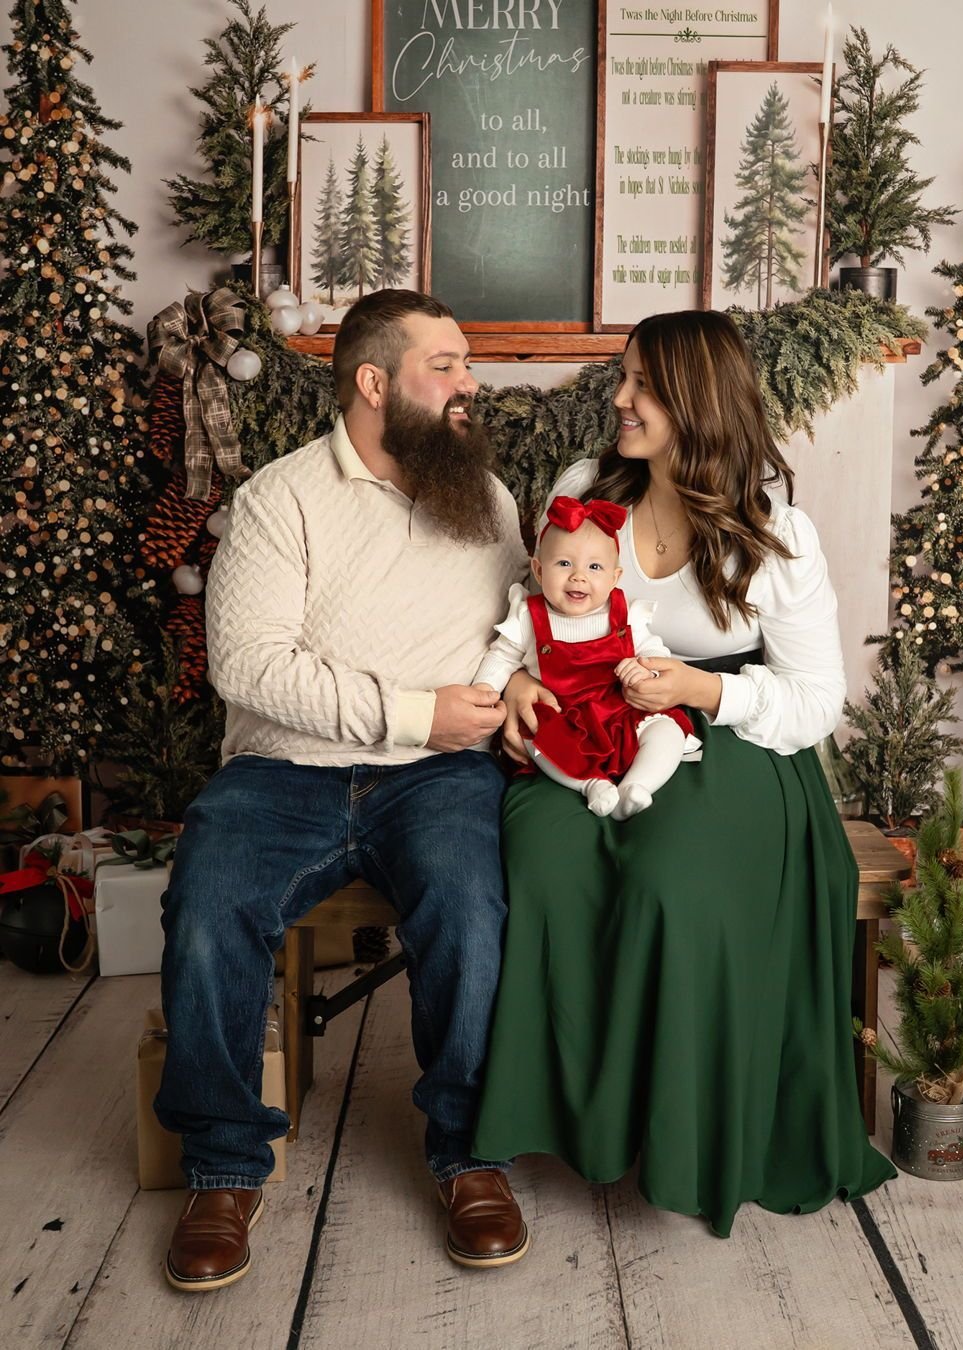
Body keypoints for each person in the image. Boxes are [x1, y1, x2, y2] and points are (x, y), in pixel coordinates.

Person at [471, 309, 896, 1237]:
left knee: (670, 880)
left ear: (697, 403)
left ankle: (685, 1133)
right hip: (595, 728)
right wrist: (509, 688)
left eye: (640, 386)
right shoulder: (587, 489)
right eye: (621, 378)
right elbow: (529, 610)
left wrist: (706, 689)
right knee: (544, 856)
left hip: (734, 735)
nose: (617, 399)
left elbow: (817, 699)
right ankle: (571, 1124)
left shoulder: (772, 532)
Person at [155, 289, 532, 1291]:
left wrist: (519, 688)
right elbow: (249, 668)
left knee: (471, 901)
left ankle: (470, 1152)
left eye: (465, 362)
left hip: (440, 777)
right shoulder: (280, 501)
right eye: (445, 364)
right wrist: (415, 714)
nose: (468, 382)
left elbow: (526, 625)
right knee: (207, 898)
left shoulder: (488, 500)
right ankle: (225, 1166)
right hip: (284, 772)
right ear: (375, 382)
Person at [473, 494, 698, 819]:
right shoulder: (529, 616)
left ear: (614, 578)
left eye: (594, 567)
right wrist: (485, 688)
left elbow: (654, 651)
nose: (578, 576)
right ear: (538, 569)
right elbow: (502, 656)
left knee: (667, 729)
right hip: (562, 714)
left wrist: (645, 670)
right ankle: (589, 784)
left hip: (620, 708)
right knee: (538, 737)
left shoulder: (625, 614)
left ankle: (638, 786)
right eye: (564, 564)